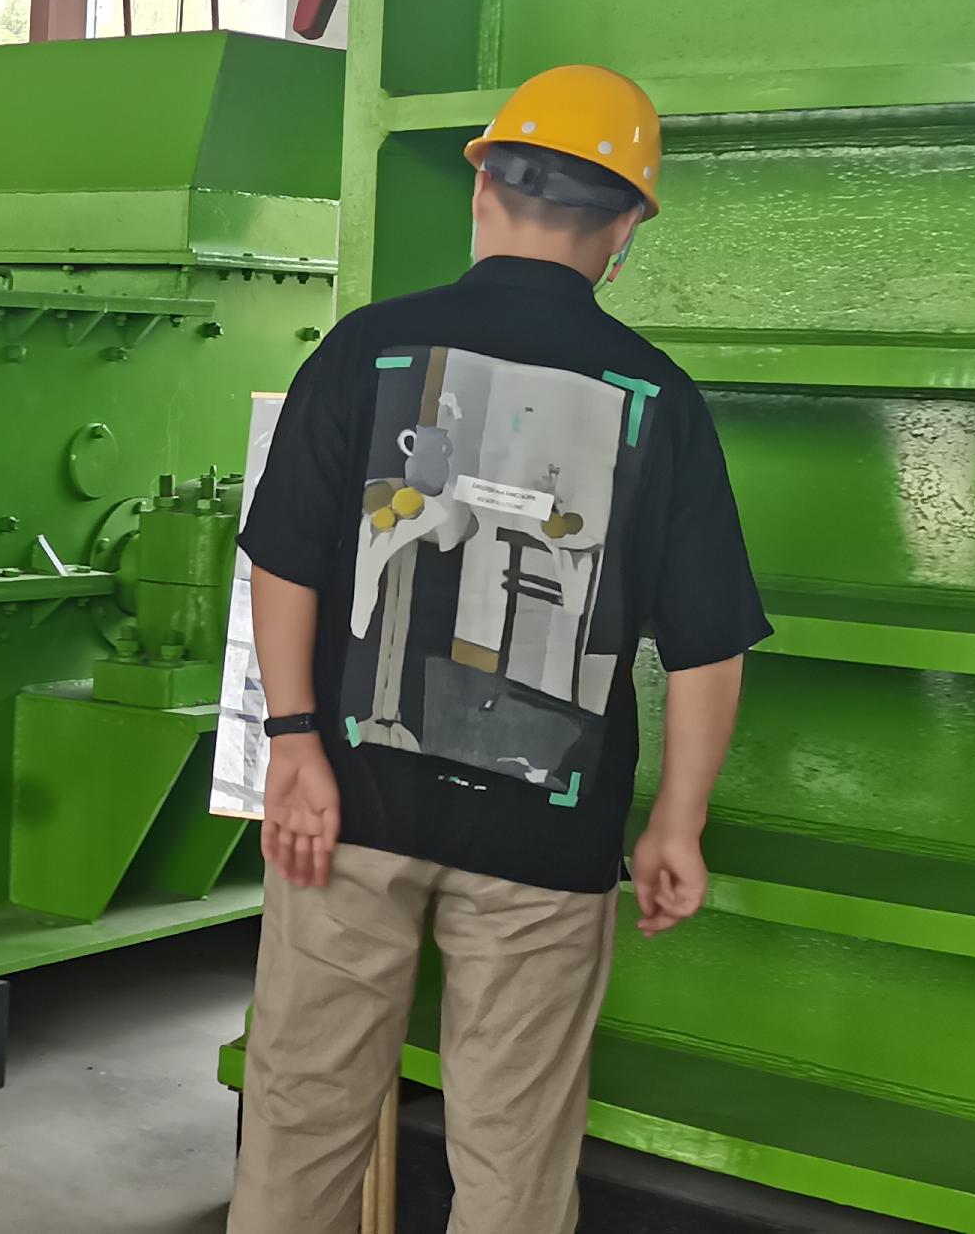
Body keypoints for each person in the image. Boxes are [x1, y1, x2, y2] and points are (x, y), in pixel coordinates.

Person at [225, 65, 768, 1233]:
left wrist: (296, 741)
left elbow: (284, 557)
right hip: (549, 836)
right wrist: (677, 825)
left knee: (301, 1120)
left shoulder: (368, 349)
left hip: (346, 804)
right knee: (516, 1160)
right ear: (624, 233)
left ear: (482, 193)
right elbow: (710, 645)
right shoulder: (658, 400)